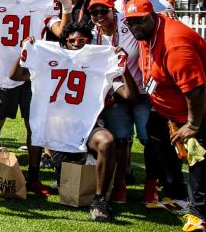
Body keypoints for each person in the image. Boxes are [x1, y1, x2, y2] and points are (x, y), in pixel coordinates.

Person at [124, 0, 206, 232]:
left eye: (141, 21)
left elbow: (196, 89)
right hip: (172, 103)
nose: (136, 26)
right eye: (131, 22)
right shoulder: (149, 33)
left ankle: (199, 215)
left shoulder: (175, 44)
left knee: (197, 151)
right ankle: (176, 194)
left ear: (153, 17)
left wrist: (192, 124)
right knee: (157, 136)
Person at [10, 24, 136, 221]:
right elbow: (15, 75)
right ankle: (34, 178)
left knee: (107, 141)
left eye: (82, 41)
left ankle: (100, 200)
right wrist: (24, 51)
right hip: (56, 127)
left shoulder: (100, 61)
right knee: (60, 170)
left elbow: (129, 95)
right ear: (64, 43)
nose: (77, 44)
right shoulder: (49, 56)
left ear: (90, 43)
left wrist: (122, 65)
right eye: (72, 41)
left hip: (86, 126)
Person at [0, 0, 71, 196]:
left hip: (32, 73)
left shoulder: (42, 1)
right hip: (2, 71)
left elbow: (62, 33)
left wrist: (66, 5)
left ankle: (34, 177)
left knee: (34, 127)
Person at [88, 0, 156, 206]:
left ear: (113, 11)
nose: (99, 16)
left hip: (142, 90)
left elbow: (151, 28)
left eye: (104, 11)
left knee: (149, 140)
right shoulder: (91, 34)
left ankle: (151, 185)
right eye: (94, 12)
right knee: (120, 139)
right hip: (115, 91)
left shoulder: (129, 27)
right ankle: (120, 185)